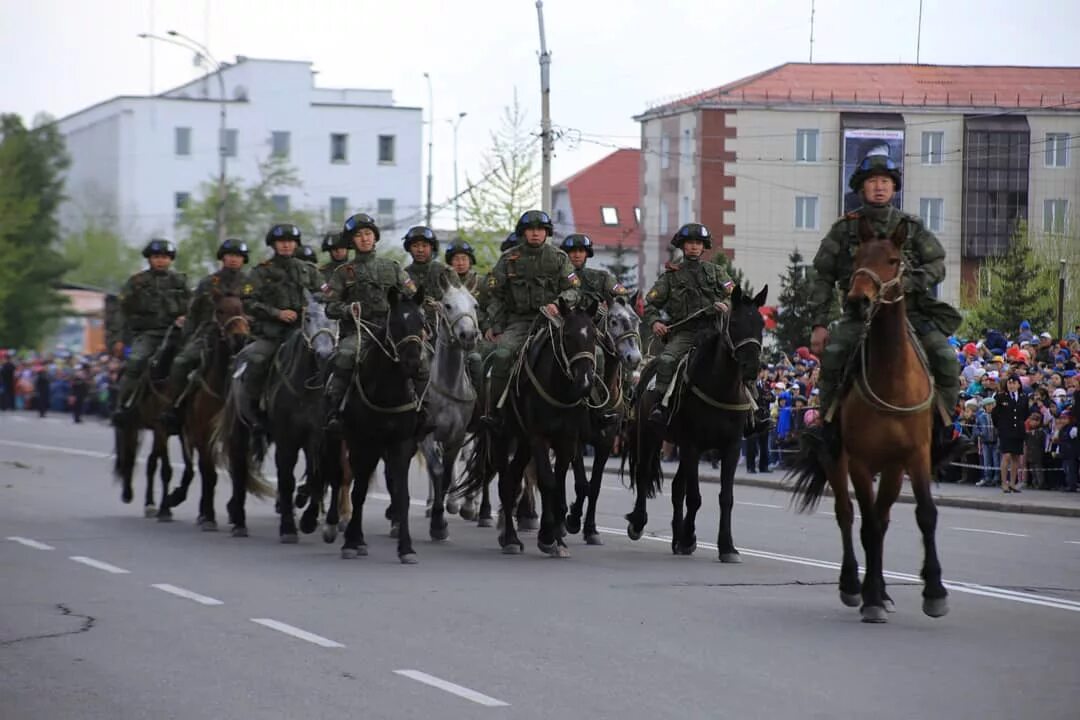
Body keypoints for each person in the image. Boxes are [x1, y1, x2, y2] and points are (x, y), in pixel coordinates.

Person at [808, 155, 963, 460]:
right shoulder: (844, 229)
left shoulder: (911, 227)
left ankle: (942, 428)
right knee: (835, 357)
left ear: (894, 187)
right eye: (872, 181)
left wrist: (913, 281)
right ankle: (828, 431)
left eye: (885, 182)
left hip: (911, 313)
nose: (879, 187)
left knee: (946, 359)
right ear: (861, 187)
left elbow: (937, 262)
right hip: (859, 315)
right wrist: (820, 324)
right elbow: (822, 276)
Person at [481, 210, 581, 424]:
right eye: (530, 229)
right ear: (523, 232)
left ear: (547, 233)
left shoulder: (559, 258)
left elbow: (573, 290)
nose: (535, 234)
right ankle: (496, 413)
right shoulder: (508, 259)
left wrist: (557, 304)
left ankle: (589, 410)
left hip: (554, 321)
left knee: (584, 353)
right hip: (519, 322)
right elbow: (495, 295)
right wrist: (495, 325)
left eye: (540, 229)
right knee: (502, 356)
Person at [322, 213, 417, 431]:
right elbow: (330, 307)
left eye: (368, 234)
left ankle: (423, 407)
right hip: (359, 332)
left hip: (391, 331)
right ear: (351, 241)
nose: (364, 239)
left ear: (375, 237)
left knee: (419, 355)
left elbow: (411, 297)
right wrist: (348, 309)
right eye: (358, 235)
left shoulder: (392, 267)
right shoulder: (342, 272)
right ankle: (334, 411)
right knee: (345, 355)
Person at [642, 222, 734, 426]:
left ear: (704, 246)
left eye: (698, 243)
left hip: (715, 330)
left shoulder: (717, 272)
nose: (694, 246)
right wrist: (655, 321)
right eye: (690, 243)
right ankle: (659, 407)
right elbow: (650, 304)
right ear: (682, 246)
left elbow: (734, 295)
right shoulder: (670, 276)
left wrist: (725, 304)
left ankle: (755, 411)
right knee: (666, 360)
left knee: (741, 358)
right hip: (685, 333)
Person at [162, 238, 249, 432]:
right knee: (181, 362)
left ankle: (260, 411)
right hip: (209, 335)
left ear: (243, 259)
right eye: (230, 255)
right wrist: (188, 338)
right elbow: (193, 314)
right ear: (222, 258)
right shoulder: (209, 282)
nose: (234, 259)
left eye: (238, 256)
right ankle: (174, 408)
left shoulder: (251, 283)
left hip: (243, 334)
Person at [241, 224, 321, 433]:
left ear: (296, 244)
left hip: (306, 332)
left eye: (290, 241)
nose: (286, 245)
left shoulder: (309, 271)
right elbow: (248, 302)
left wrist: (311, 307)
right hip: (272, 334)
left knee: (328, 358)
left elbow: (325, 296)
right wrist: (277, 313)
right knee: (255, 359)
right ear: (273, 245)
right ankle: (256, 412)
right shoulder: (261, 271)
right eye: (281, 241)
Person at [113, 239, 190, 423]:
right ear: (149, 259)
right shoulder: (137, 282)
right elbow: (121, 311)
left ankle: (184, 405)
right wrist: (118, 338)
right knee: (135, 360)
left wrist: (186, 317)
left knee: (196, 362)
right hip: (148, 334)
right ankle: (125, 405)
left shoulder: (180, 281)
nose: (160, 261)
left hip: (177, 334)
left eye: (164, 257)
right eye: (156, 257)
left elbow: (194, 307)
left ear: (170, 260)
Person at [559, 233, 628, 312]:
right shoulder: (557, 276)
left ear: (587, 254)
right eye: (573, 251)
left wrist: (613, 303)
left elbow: (622, 292)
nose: (577, 255)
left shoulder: (601, 277)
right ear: (566, 254)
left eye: (581, 251)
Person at [993, 374, 1029, 493]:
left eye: (1014, 383)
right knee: (1006, 455)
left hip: (1018, 430)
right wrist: (1000, 426)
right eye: (1009, 383)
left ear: (1018, 385)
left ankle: (1013, 483)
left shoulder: (1024, 397)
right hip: (1005, 430)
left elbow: (1025, 414)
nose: (1011, 385)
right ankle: (1004, 483)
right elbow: (995, 414)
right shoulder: (1001, 397)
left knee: (1016, 457)